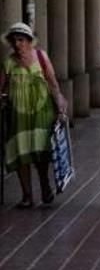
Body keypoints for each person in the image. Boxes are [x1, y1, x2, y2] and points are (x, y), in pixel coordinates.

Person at [1, 23, 67, 208]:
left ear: (29, 41)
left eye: (21, 40)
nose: (17, 44)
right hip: (17, 115)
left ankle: (45, 186)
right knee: (21, 152)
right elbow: (1, 89)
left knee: (41, 152)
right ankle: (27, 195)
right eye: (14, 41)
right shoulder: (8, 62)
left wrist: (60, 107)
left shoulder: (40, 56)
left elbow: (52, 83)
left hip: (41, 111)